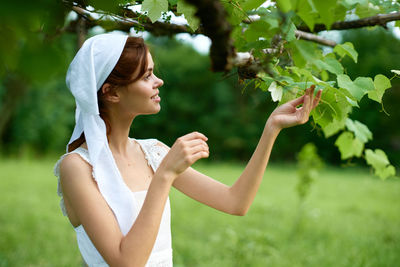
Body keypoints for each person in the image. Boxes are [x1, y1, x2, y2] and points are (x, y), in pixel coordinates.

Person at [54, 33, 321, 267]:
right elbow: (127, 262)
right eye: (147, 76)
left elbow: (235, 202)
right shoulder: (77, 167)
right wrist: (165, 175)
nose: (159, 81)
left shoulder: (153, 152)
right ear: (111, 92)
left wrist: (271, 128)